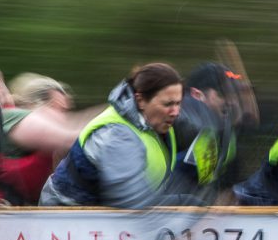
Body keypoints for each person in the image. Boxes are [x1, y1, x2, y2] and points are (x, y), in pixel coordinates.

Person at [40, 63, 188, 208]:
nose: (176, 112)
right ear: (141, 100)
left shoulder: (158, 121)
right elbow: (133, 202)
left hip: (108, 213)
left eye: (178, 103)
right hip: (67, 215)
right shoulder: (117, 135)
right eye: (168, 104)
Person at [0, 69, 84, 205]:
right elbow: (72, 139)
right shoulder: (19, 119)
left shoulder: (8, 118)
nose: (66, 118)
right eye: (61, 109)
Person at [172, 61, 258, 201]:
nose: (232, 101)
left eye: (234, 95)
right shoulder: (181, 126)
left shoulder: (225, 131)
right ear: (197, 94)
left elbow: (229, 183)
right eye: (223, 95)